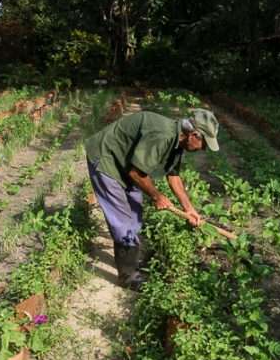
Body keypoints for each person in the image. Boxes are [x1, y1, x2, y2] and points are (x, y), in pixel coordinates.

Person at [84, 107, 220, 289]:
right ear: (194, 135)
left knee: (134, 214)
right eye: (204, 144)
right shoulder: (162, 136)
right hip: (106, 158)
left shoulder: (178, 141)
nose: (203, 149)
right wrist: (157, 196)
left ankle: (131, 262)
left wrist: (189, 208)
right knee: (122, 220)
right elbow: (136, 172)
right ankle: (128, 276)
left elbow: (173, 176)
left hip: (124, 163)